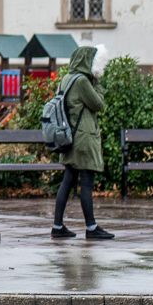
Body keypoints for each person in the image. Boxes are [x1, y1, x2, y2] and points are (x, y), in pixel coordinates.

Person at [51, 45, 115, 240]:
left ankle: (58, 225)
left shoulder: (66, 79)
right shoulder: (82, 82)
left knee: (68, 181)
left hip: (70, 137)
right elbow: (99, 104)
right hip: (83, 138)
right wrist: (96, 82)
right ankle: (91, 227)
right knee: (86, 182)